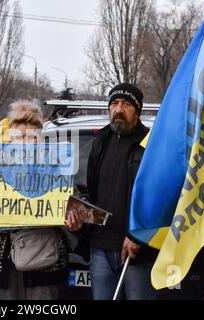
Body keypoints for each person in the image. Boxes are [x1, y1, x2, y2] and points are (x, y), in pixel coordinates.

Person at [0, 101, 69, 300]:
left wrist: (73, 214)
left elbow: (71, 202)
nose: (24, 142)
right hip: (5, 265)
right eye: (19, 137)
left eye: (30, 137)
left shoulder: (56, 168)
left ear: (39, 139)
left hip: (46, 263)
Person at [66, 83, 158, 300]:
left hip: (138, 251)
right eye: (114, 103)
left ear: (137, 111)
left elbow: (158, 197)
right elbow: (90, 192)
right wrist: (80, 218)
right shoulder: (99, 142)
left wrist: (139, 236)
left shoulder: (151, 144)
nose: (119, 109)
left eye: (126, 104)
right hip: (100, 249)